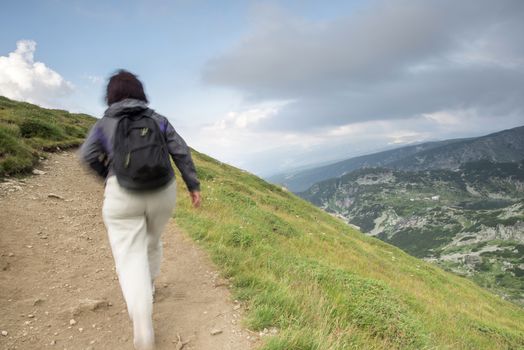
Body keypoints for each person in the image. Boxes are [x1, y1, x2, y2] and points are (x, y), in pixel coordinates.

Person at [79, 70, 201, 350]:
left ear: (111, 96)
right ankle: (151, 286)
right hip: (162, 192)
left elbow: (86, 156)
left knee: (129, 257)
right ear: (140, 93)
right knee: (152, 241)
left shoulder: (104, 124)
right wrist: (193, 185)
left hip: (122, 195)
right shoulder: (158, 120)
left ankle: (143, 326)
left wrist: (109, 177)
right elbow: (181, 152)